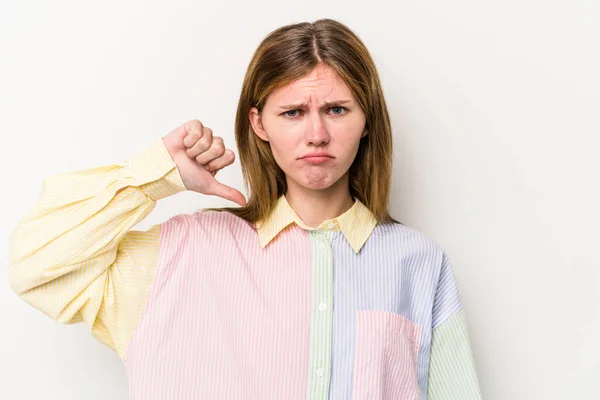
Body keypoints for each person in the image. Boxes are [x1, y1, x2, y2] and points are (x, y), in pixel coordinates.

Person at [7, 18, 482, 400]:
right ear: (259, 124)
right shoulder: (181, 255)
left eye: (337, 109)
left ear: (366, 121)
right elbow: (35, 265)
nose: (316, 134)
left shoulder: (419, 264)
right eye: (292, 113)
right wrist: (154, 177)